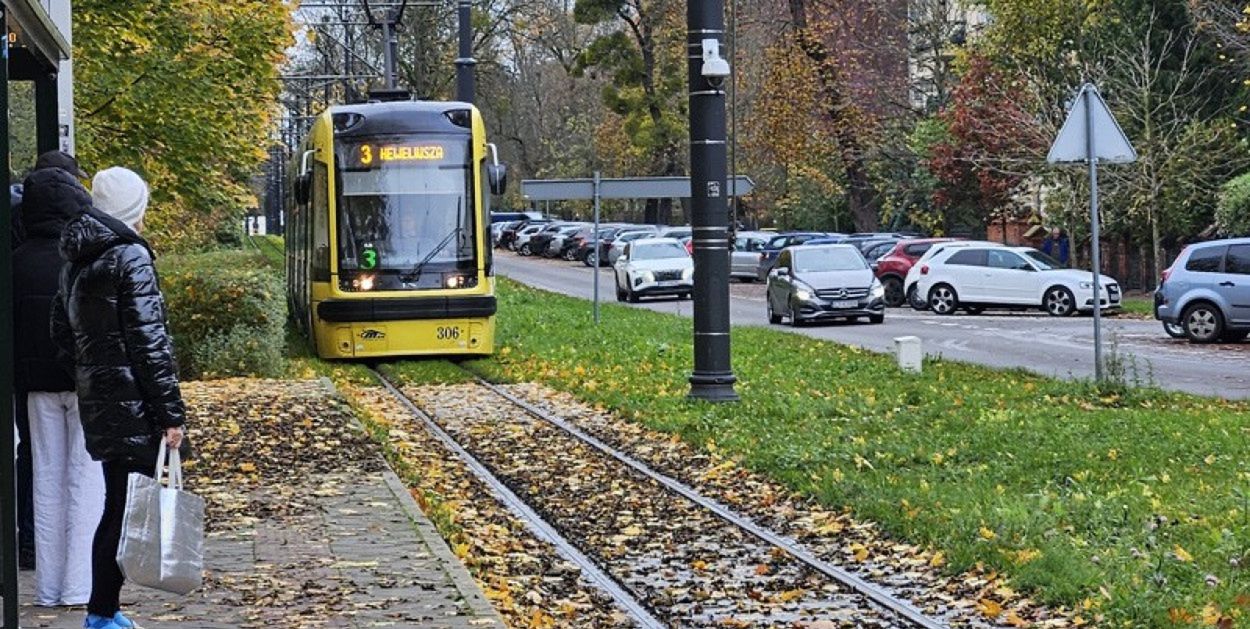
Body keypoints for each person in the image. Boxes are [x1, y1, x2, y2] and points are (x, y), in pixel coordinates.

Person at [51, 166, 187, 629]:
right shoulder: (131, 256)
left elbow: (61, 333)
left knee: (117, 504)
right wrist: (170, 414)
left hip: (103, 402)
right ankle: (101, 613)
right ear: (133, 207)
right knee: (123, 511)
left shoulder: (75, 258)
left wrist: (94, 377)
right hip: (136, 406)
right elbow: (151, 343)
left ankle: (104, 609)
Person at [15, 153, 103, 606]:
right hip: (82, 381)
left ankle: (48, 588)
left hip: (34, 386)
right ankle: (78, 584)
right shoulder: (83, 259)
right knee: (84, 481)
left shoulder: (14, 260)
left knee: (45, 479)